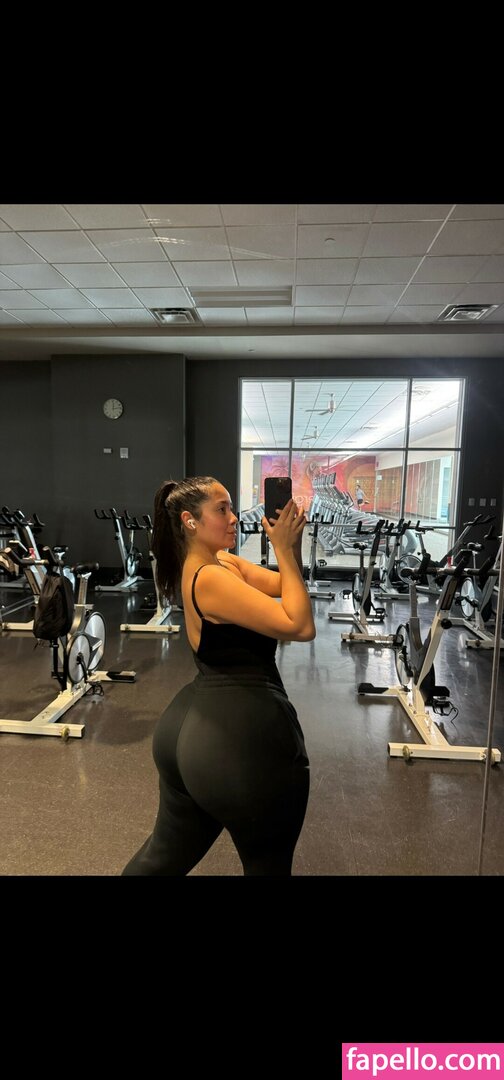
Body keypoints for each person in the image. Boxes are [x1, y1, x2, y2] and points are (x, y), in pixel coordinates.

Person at [122, 476, 315, 877]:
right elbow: (299, 625)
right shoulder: (210, 578)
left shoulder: (222, 563)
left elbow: (286, 582)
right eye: (222, 509)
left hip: (190, 728)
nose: (233, 518)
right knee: (268, 866)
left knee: (161, 860)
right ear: (190, 520)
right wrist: (281, 549)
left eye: (231, 507)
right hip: (236, 738)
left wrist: (290, 543)